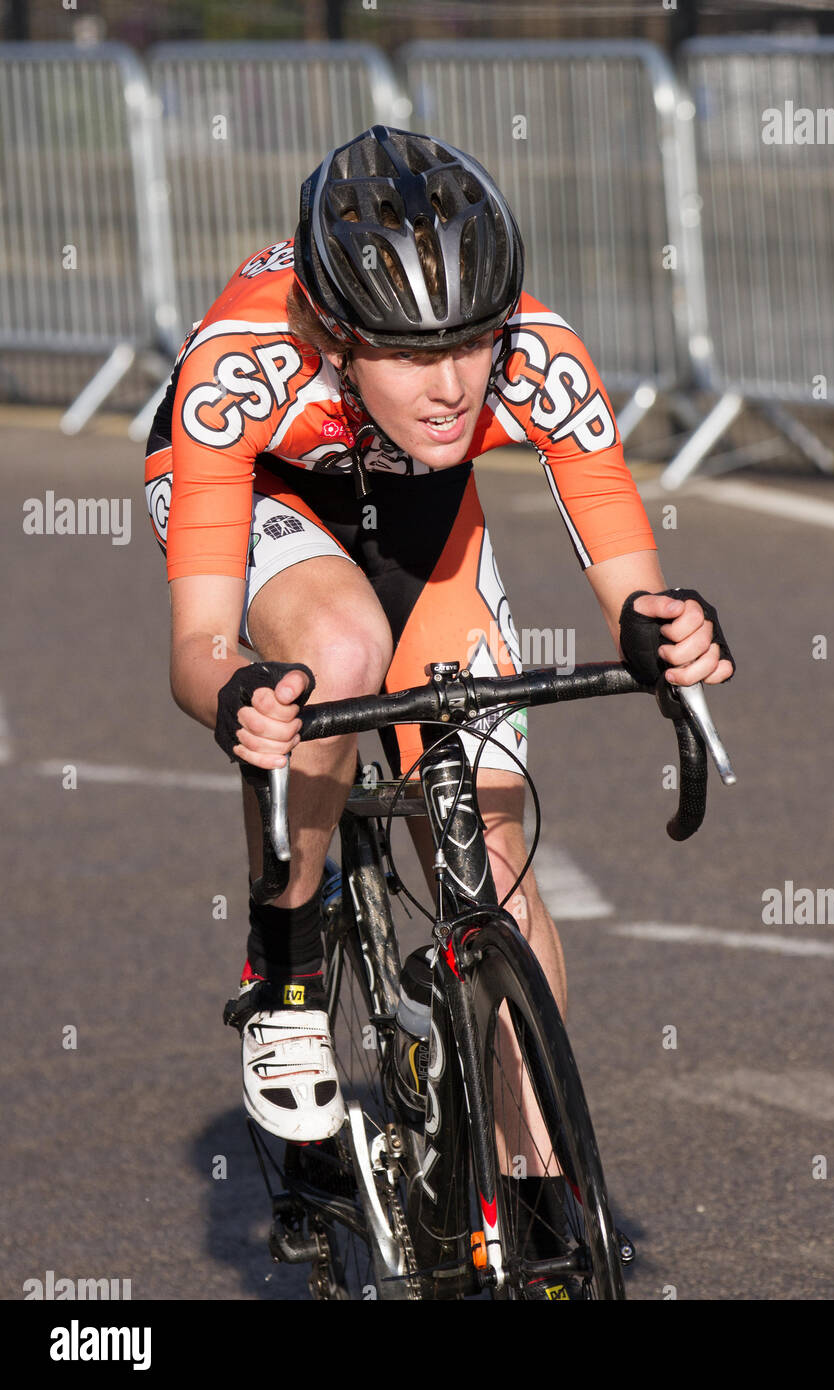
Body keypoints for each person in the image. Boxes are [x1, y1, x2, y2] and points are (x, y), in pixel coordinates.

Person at [144, 125, 733, 1283]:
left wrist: (663, 631)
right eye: (414, 355)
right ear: (332, 331)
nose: (455, 381)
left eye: (473, 341)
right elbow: (196, 650)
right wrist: (244, 696)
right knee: (341, 651)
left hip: (425, 522)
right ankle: (289, 960)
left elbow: (629, 576)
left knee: (494, 837)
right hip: (271, 499)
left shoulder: (539, 355)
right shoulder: (240, 365)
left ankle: (533, 1178)